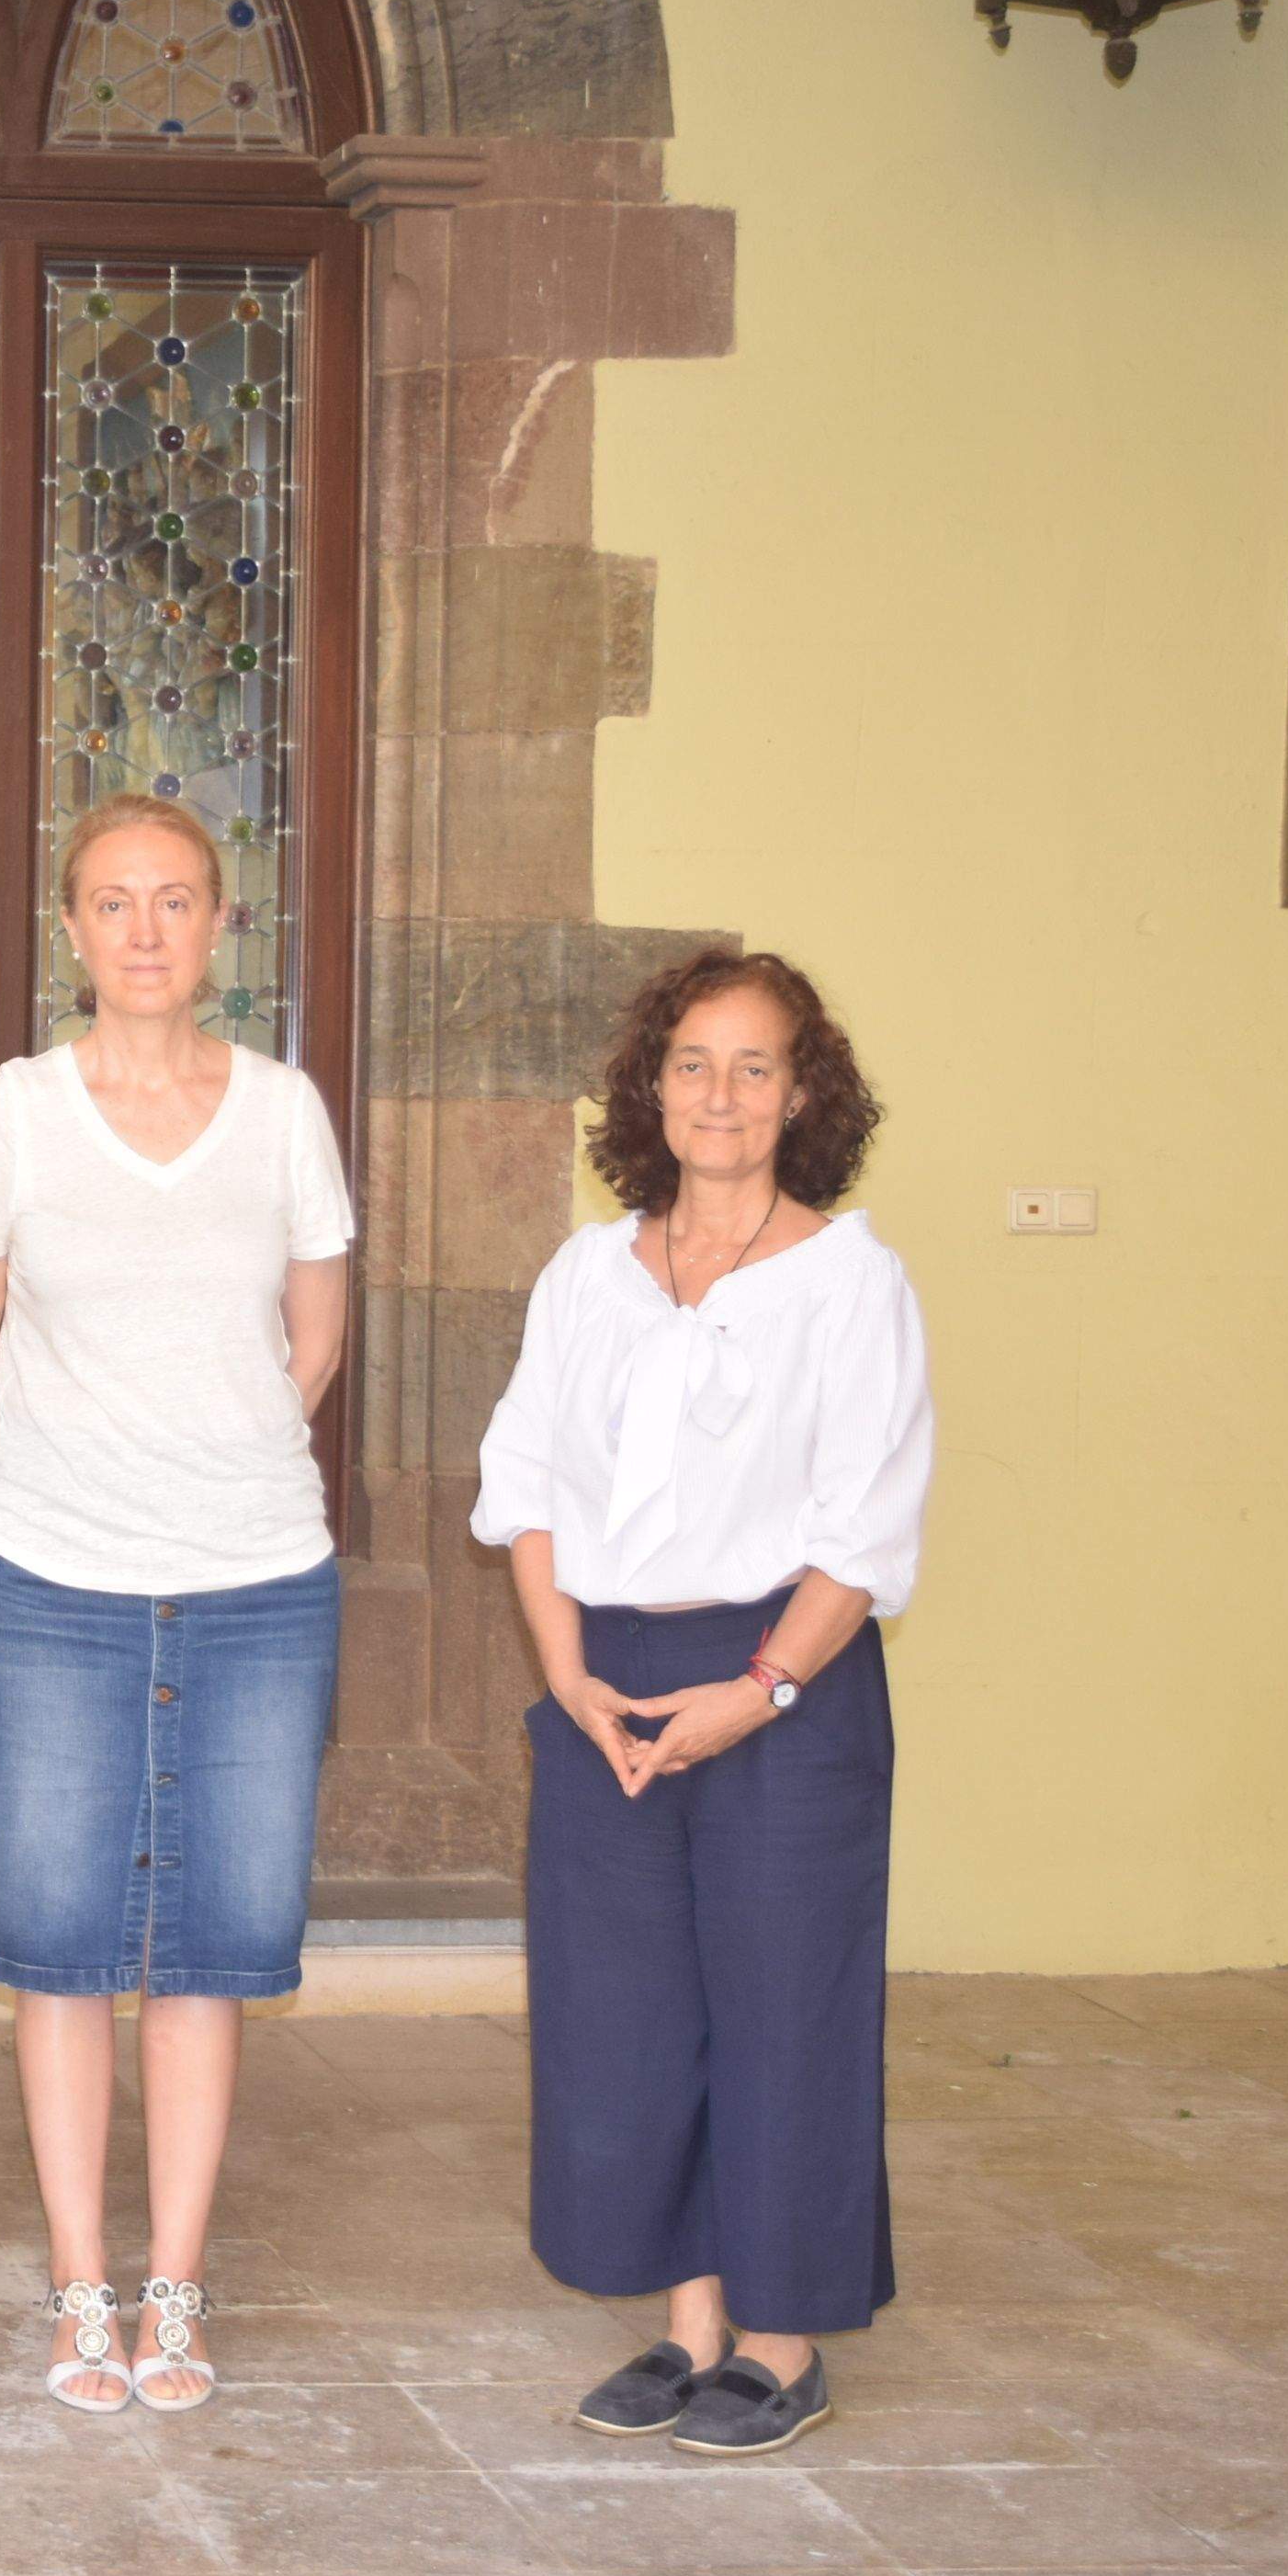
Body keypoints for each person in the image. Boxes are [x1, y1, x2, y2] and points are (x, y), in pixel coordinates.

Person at [0, 790, 352, 2418]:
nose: (149, 930)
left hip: (254, 1586)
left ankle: (176, 2290)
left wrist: (200, 1472)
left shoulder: (284, 1114)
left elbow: (310, 1348)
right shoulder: (18, 1117)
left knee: (209, 1952)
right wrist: (71, 1473)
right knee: (57, 1945)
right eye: (116, 902)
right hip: (49, 1586)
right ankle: (78, 2291)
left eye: (178, 901)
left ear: (220, 927)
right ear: (76, 931)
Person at [475, 945, 929, 2459]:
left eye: (754, 1066)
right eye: (691, 1064)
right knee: (629, 2017)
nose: (719, 1096)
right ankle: (686, 2330)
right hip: (600, 1671)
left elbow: (864, 1526)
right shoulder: (588, 1272)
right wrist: (564, 1671)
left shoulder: (849, 1282)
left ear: (804, 1092)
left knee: (785, 2013)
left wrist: (758, 1688)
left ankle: (781, 2344)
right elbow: (527, 1481)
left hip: (783, 1683)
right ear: (648, 1088)